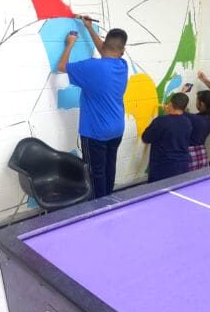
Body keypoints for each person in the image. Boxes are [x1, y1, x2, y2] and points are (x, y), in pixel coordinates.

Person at [57, 17, 128, 198]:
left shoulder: (91, 67)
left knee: (95, 172)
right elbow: (105, 51)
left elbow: (62, 66)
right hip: (116, 128)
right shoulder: (122, 65)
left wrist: (70, 43)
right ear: (123, 50)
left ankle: (99, 209)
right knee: (109, 167)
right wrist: (89, 28)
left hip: (96, 132)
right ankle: (108, 200)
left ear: (105, 44)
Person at [142, 93, 192, 183]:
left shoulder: (161, 121)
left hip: (163, 167)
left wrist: (164, 115)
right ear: (184, 108)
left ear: (170, 104)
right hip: (182, 166)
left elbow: (145, 138)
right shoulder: (187, 122)